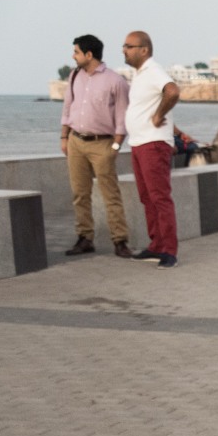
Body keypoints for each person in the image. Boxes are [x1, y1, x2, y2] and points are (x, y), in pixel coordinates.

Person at [59, 34, 133, 258]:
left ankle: (120, 241)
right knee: (79, 194)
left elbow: (122, 117)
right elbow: (67, 109)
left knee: (110, 195)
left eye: (76, 52)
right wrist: (64, 138)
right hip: (76, 142)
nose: (73, 56)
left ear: (89, 55)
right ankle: (85, 238)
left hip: (103, 144)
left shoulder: (115, 81)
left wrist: (115, 147)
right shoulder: (74, 76)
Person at [122, 31, 180, 269]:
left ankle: (169, 251)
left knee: (160, 198)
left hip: (152, 144)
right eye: (124, 46)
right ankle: (156, 245)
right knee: (148, 198)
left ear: (143, 50)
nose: (124, 49)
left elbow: (173, 91)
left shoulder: (153, 70)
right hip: (139, 143)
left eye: (129, 46)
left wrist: (158, 115)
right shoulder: (140, 75)